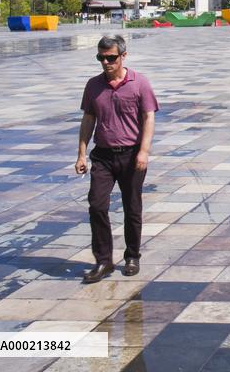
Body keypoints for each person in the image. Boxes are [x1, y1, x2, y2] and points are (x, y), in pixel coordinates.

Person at [75, 35, 158, 283]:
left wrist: (144, 151)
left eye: (110, 57)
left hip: (132, 155)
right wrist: (81, 153)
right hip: (103, 156)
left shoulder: (139, 83)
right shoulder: (93, 85)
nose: (105, 62)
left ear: (123, 56)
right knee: (97, 205)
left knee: (132, 207)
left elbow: (148, 118)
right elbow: (88, 120)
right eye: (101, 58)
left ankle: (132, 255)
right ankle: (104, 260)